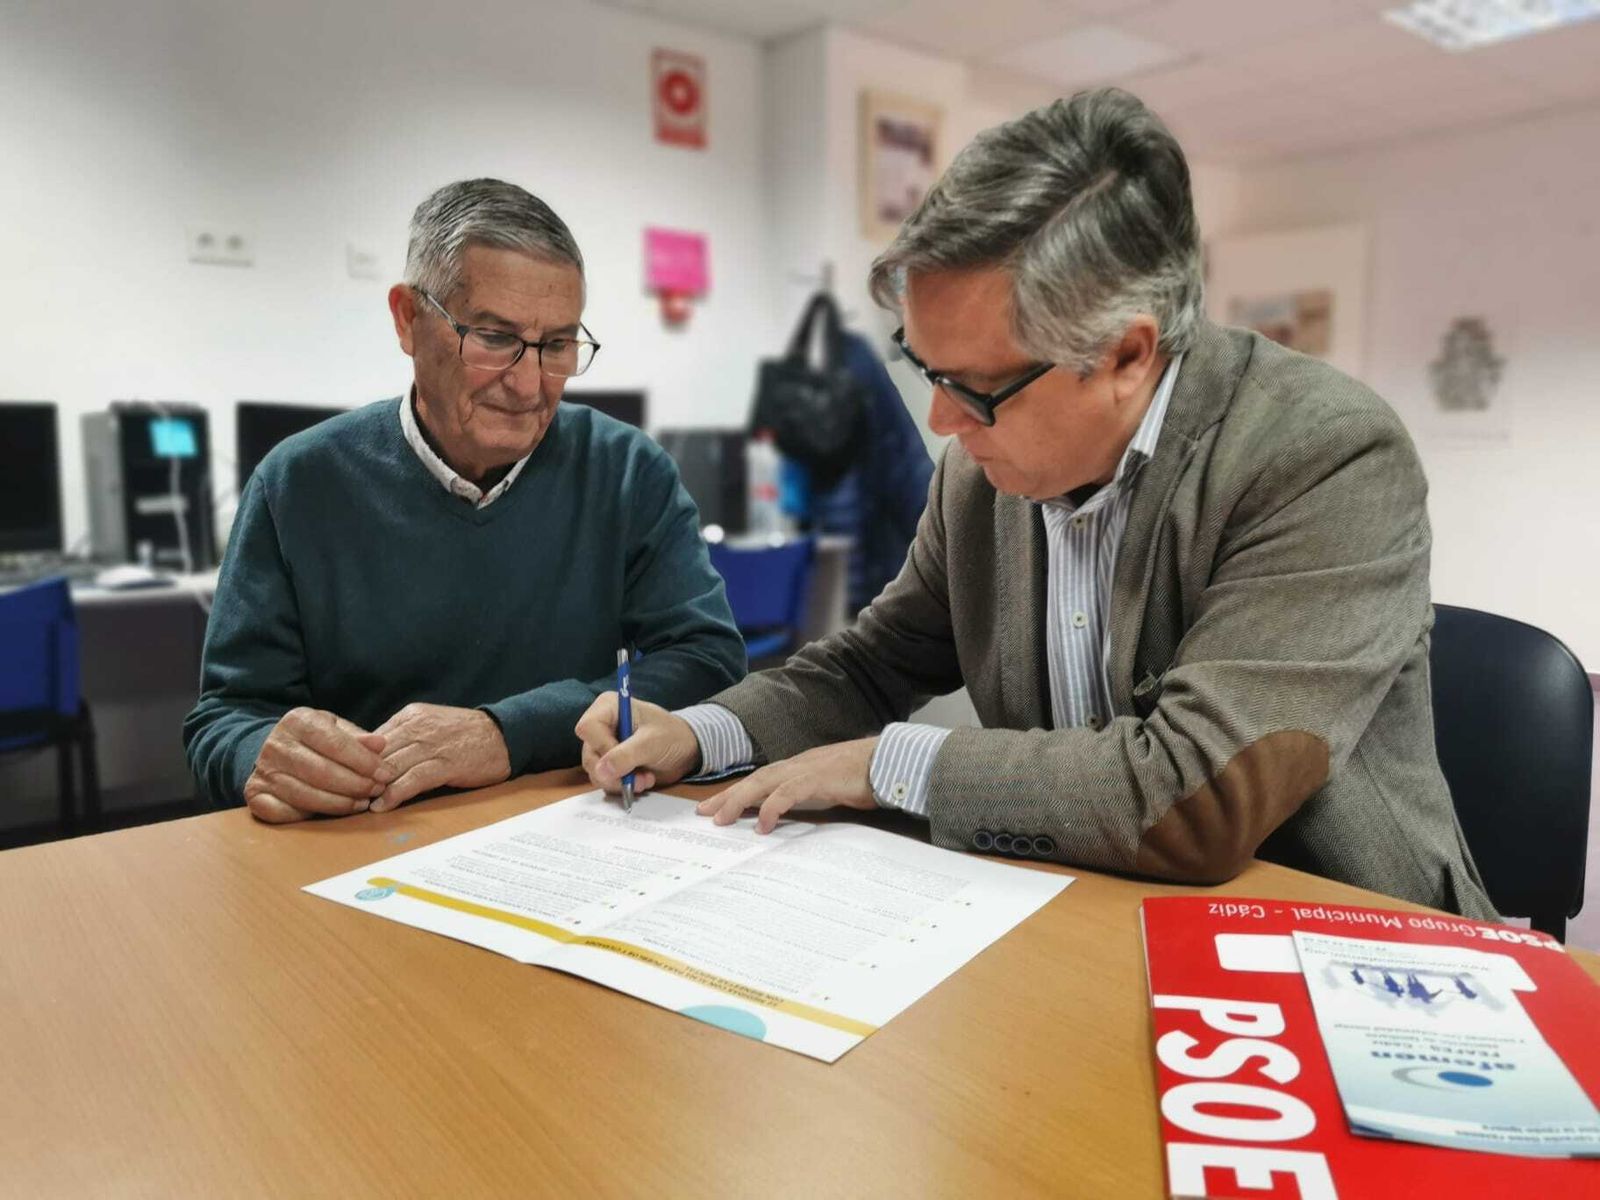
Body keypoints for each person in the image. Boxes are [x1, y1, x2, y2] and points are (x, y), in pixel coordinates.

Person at [576, 90, 1495, 919]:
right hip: (1087, 911)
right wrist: (695, 734)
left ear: (1130, 355)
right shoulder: (984, 474)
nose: (941, 422)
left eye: (975, 389)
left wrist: (884, 763)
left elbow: (1196, 795)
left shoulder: (1323, 455)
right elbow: (868, 669)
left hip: (1339, 950)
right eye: (924, 367)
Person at [185, 178, 745, 822]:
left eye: (558, 345)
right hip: (364, 843)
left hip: (566, 831)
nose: (530, 384)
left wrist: (507, 732)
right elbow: (224, 721)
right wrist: (263, 755)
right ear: (407, 319)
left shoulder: (627, 471)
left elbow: (710, 662)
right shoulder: (296, 484)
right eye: (495, 338)